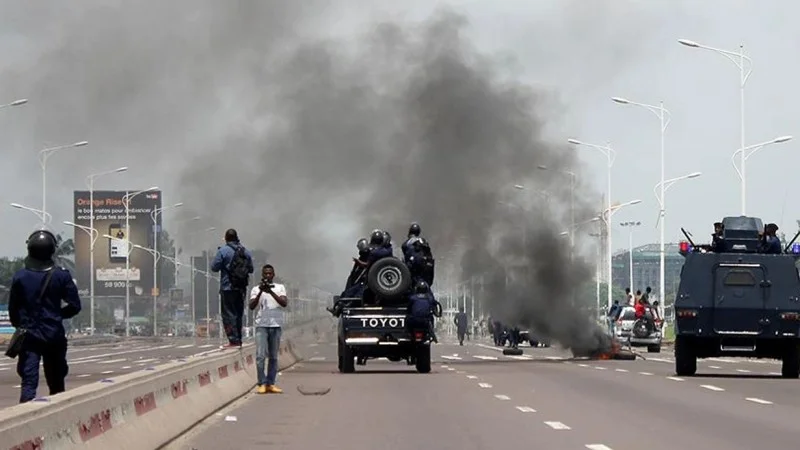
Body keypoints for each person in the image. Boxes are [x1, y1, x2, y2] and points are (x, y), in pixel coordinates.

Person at [8, 230, 82, 403]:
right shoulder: (61, 275)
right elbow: (75, 306)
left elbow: (13, 310)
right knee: (57, 383)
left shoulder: (20, 277)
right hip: (54, 335)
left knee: (28, 382)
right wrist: (57, 316)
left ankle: (25, 417)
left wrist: (21, 325)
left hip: (29, 337)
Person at [211, 228, 254, 348]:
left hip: (227, 287)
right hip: (241, 288)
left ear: (226, 238)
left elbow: (214, 267)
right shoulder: (245, 251)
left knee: (228, 315)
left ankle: (233, 340)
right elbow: (251, 269)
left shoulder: (223, 251)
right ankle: (239, 339)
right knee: (239, 314)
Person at [248, 264, 288, 394]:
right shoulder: (255, 289)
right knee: (260, 356)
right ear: (262, 275)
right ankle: (262, 383)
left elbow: (284, 303)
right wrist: (261, 291)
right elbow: (252, 306)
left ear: (273, 274)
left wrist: (270, 291)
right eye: (265, 274)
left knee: (273, 357)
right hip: (262, 325)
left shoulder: (279, 288)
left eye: (270, 273)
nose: (268, 276)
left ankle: (271, 383)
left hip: (276, 325)